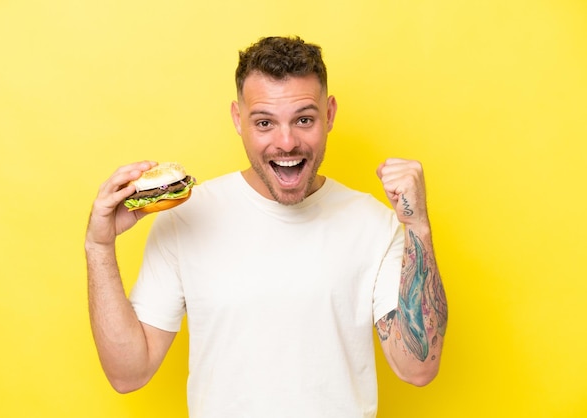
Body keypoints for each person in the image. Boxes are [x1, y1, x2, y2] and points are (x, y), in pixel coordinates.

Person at [85, 36, 448, 418]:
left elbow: (418, 367)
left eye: (304, 119)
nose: (286, 142)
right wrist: (99, 245)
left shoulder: (375, 224)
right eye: (264, 123)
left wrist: (417, 225)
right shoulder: (185, 218)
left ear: (330, 114)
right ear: (238, 120)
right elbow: (128, 374)